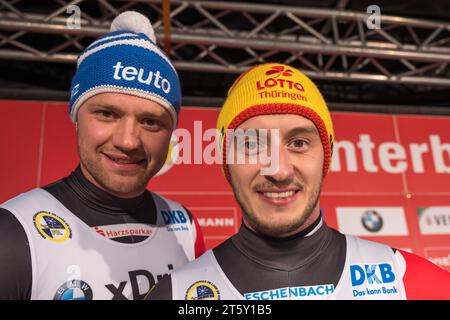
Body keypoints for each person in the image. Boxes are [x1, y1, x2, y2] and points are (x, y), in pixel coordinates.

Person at [146, 63, 450, 300]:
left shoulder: (412, 282)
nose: (279, 171)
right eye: (252, 145)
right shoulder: (174, 294)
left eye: (299, 143)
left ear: (325, 155)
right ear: (227, 160)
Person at [0, 11, 205, 300]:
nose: (128, 140)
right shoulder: (13, 233)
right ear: (76, 115)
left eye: (151, 122)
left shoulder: (185, 226)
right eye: (107, 114)